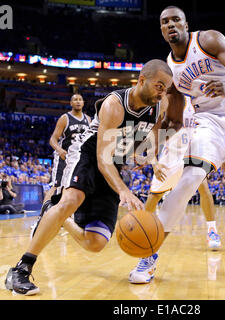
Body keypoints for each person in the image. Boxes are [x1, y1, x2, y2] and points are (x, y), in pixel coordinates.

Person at [128, 6, 225, 284]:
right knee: (187, 180)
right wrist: (150, 143)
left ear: (186, 24)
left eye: (176, 19)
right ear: (162, 30)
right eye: (165, 22)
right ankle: (150, 256)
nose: (171, 24)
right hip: (208, 121)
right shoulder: (170, 70)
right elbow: (174, 118)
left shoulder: (209, 40)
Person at [5, 59, 184, 295]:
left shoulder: (158, 106)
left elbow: (147, 142)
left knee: (96, 243)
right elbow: (102, 159)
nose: (162, 93)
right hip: (88, 154)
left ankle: (53, 210)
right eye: (159, 86)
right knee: (71, 200)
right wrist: (123, 190)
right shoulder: (114, 104)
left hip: (115, 163)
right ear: (142, 80)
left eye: (166, 88)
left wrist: (152, 160)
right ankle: (21, 269)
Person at [144, 95, 220, 249]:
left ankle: (212, 230)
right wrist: (154, 163)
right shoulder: (167, 100)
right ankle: (143, 228)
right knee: (155, 196)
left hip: (193, 152)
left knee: (203, 188)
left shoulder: (198, 100)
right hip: (171, 154)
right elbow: (153, 133)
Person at [31, 94, 91, 236]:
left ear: (83, 102)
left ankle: (68, 220)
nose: (78, 101)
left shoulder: (89, 120)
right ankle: (41, 218)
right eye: (75, 99)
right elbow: (53, 138)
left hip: (79, 159)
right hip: (64, 157)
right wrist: (59, 150)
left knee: (72, 188)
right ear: (71, 103)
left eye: (80, 99)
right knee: (56, 186)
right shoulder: (65, 118)